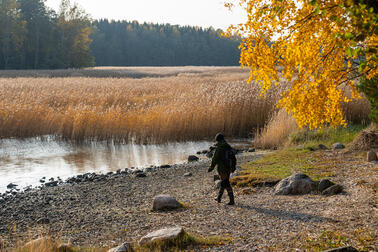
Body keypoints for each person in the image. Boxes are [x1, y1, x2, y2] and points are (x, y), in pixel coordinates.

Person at [208, 133, 235, 205]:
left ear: (217, 140)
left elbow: (215, 158)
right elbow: (233, 158)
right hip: (229, 167)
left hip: (222, 168)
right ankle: (219, 198)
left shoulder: (219, 147)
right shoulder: (228, 146)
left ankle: (232, 200)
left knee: (226, 183)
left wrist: (211, 167)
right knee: (224, 182)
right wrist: (233, 167)